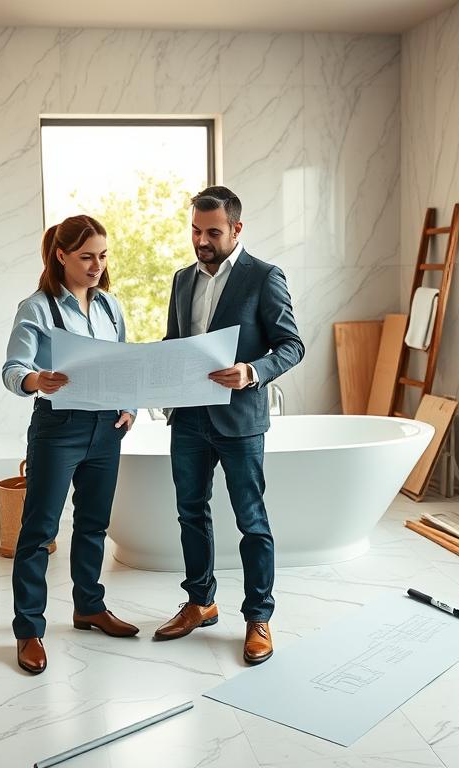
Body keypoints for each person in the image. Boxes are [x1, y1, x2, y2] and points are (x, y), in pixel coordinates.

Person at [153, 186, 304, 664]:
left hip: (240, 419)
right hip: (188, 418)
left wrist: (252, 371)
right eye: (195, 231)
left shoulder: (264, 277)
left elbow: (291, 345)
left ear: (236, 228)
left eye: (213, 232)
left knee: (251, 521)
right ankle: (200, 602)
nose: (202, 240)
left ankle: (258, 616)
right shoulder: (182, 280)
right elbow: (175, 341)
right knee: (190, 513)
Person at [2, 215, 139, 675]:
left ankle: (89, 608)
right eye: (86, 257)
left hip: (107, 429)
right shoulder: (37, 308)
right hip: (58, 429)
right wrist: (36, 379)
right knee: (39, 531)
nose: (97, 265)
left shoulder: (110, 308)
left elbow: (123, 365)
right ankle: (28, 629)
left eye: (103, 256)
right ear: (61, 256)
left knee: (94, 524)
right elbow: (12, 370)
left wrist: (129, 407)